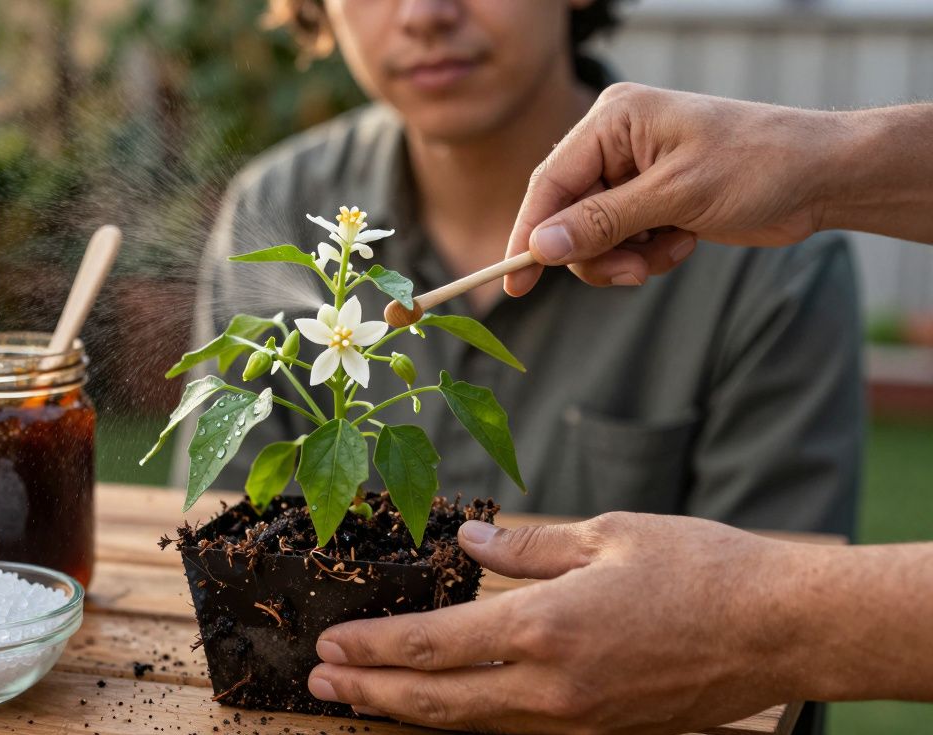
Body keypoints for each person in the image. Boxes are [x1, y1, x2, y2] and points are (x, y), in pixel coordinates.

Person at [306, 86, 933, 735]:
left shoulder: (769, 275)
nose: (424, 12)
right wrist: (816, 161)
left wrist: (758, 625)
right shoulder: (288, 191)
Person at [188, 0, 865, 541]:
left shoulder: (761, 253)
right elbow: (231, 541)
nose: (424, 13)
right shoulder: (275, 211)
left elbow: (773, 632)